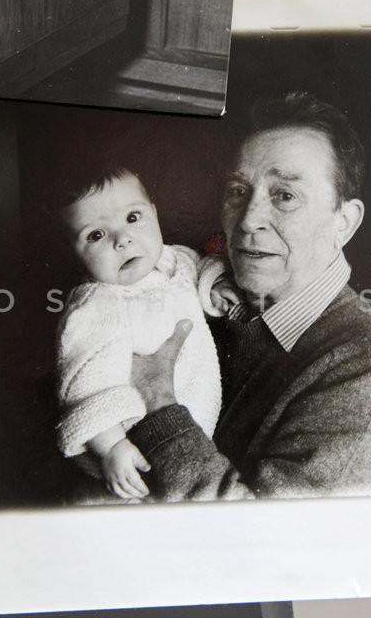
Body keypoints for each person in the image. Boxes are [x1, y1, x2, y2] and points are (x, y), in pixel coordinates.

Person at [125, 92, 371, 501]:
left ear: (344, 222)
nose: (249, 220)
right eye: (237, 191)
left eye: (285, 195)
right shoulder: (204, 301)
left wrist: (159, 405)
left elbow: (269, 536)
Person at [54, 168, 236, 500]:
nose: (122, 240)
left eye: (133, 218)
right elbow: (83, 387)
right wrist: (112, 446)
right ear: (73, 253)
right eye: (96, 235)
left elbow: (200, 268)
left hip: (189, 442)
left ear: (154, 212)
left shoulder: (174, 261)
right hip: (132, 456)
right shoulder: (96, 306)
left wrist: (215, 285)